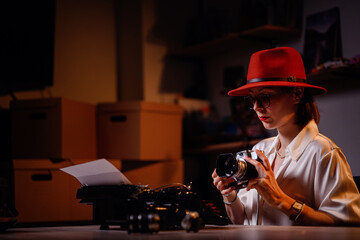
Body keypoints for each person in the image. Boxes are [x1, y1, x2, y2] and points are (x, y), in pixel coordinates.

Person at [212, 47, 360, 226]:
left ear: (297, 94)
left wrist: (279, 200)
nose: (257, 107)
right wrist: (229, 194)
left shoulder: (323, 153)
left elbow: (348, 226)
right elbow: (242, 220)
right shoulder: (259, 149)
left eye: (266, 96)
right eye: (252, 99)